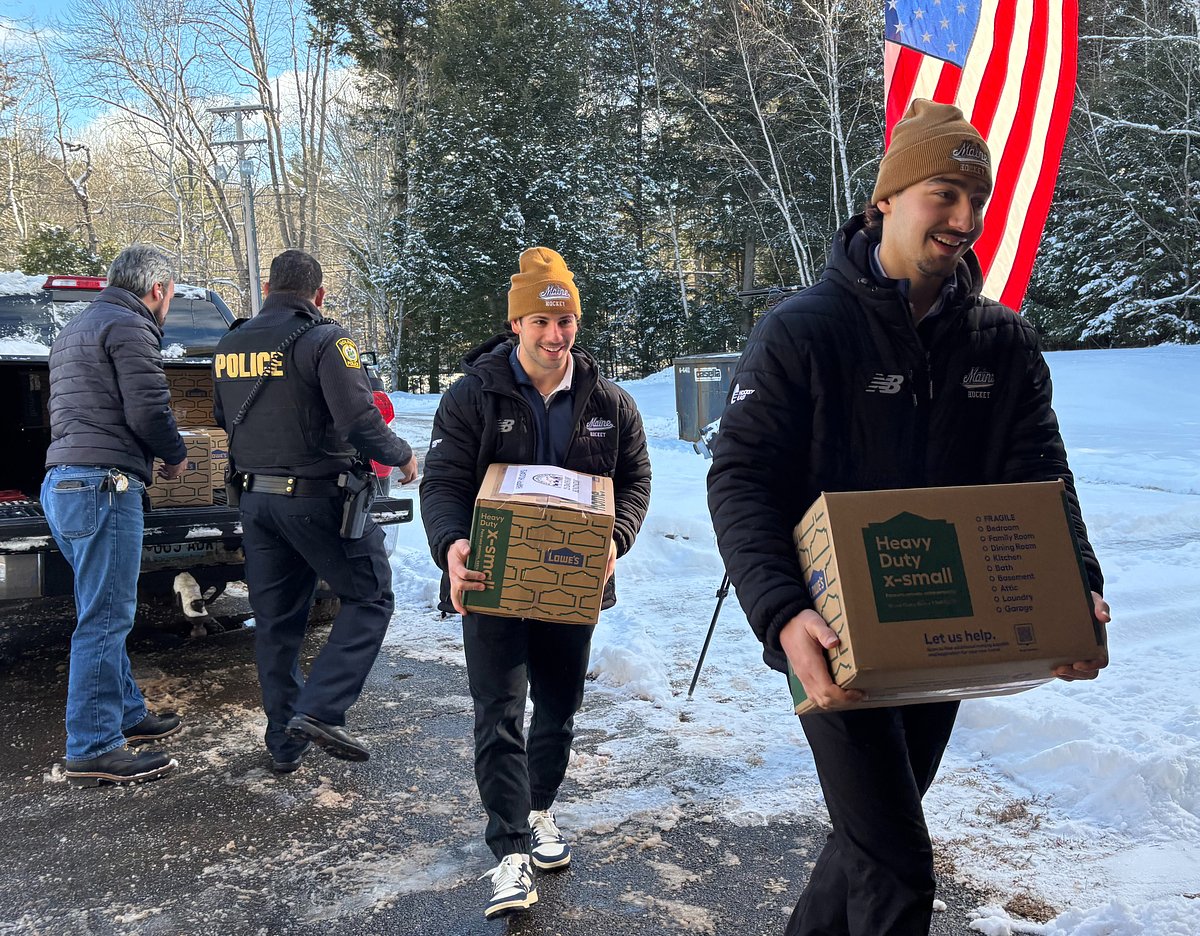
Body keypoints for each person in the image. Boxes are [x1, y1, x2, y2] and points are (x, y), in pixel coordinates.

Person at [706, 99, 1111, 936]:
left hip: (946, 629)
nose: (965, 218)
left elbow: (1040, 477)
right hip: (832, 631)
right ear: (885, 199)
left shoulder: (1001, 342)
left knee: (865, 844)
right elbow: (742, 479)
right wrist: (782, 614)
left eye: (978, 199)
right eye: (943, 193)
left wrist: (1078, 593)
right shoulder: (801, 331)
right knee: (897, 865)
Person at [420, 247, 651, 919]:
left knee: (558, 708)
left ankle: (540, 808)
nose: (555, 337)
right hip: (492, 581)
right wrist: (451, 544)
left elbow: (634, 480)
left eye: (567, 322)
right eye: (541, 323)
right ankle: (510, 851)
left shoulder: (609, 402)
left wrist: (616, 538)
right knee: (498, 713)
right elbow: (444, 483)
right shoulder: (473, 396)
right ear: (517, 323)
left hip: (569, 585)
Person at [212, 249, 417, 773]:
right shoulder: (327, 339)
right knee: (370, 596)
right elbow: (360, 422)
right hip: (317, 499)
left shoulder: (230, 342)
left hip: (255, 503)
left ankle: (283, 742)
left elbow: (221, 416)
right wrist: (402, 456)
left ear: (266, 290)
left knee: (277, 624)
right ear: (318, 294)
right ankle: (322, 709)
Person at [43, 244, 189, 788]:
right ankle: (93, 746)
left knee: (100, 606)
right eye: (170, 295)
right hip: (105, 484)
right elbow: (149, 409)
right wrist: (174, 456)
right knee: (104, 618)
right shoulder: (131, 328)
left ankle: (127, 712)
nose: (167, 305)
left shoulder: (77, 326)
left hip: (65, 481)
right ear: (157, 290)